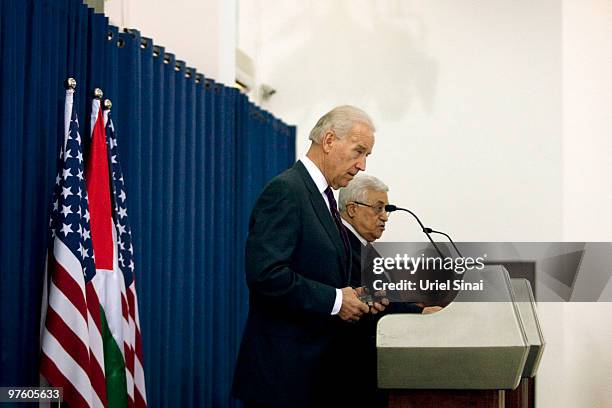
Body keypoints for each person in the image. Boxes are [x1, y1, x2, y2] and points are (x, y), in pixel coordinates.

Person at [232, 106, 386, 408]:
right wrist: (337, 301)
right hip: (284, 381)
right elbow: (266, 275)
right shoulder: (287, 190)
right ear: (328, 140)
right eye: (358, 152)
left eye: (367, 155)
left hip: (315, 378)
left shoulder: (323, 198)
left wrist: (355, 296)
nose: (362, 165)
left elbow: (323, 274)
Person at [338, 175, 443, 407]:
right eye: (378, 209)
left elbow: (379, 295)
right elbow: (366, 299)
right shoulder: (341, 245)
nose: (385, 216)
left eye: (386, 209)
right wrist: (419, 314)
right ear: (352, 209)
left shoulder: (364, 247)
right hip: (350, 370)